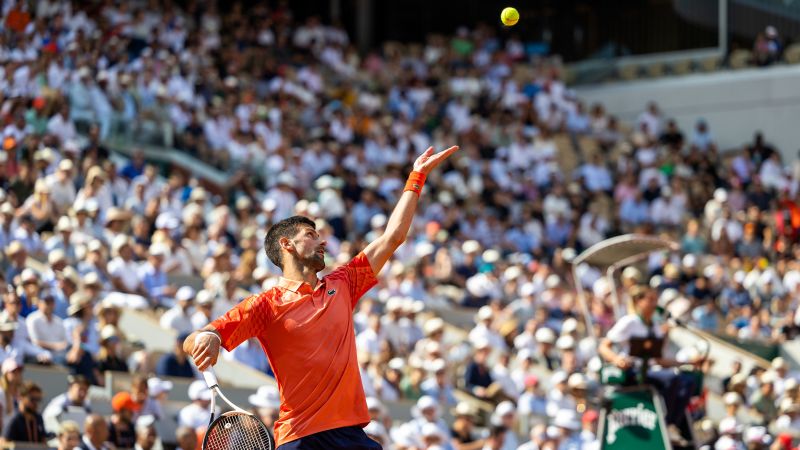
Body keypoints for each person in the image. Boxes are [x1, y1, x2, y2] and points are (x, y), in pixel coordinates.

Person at [184, 145, 458, 449]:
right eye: (311, 234)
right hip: (301, 437)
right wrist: (205, 337)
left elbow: (392, 237)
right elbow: (195, 339)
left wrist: (416, 178)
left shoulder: (344, 283)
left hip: (351, 435)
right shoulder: (264, 304)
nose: (321, 240)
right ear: (286, 244)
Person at [598, 285, 700, 445]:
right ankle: (665, 422)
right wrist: (617, 359)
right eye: (650, 300)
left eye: (655, 300)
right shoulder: (629, 322)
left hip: (649, 371)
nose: (654, 304)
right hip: (632, 372)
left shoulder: (654, 326)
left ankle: (670, 424)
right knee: (672, 380)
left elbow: (659, 361)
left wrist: (687, 363)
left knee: (689, 380)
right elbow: (604, 346)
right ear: (639, 301)